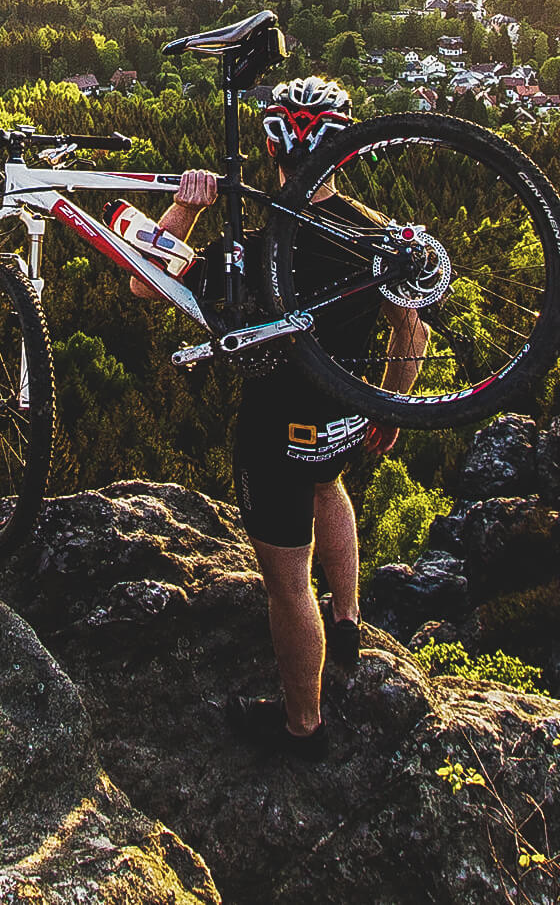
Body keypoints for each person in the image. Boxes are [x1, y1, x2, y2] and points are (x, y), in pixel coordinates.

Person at [129, 75, 428, 760]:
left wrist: (184, 209)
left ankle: (302, 725)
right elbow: (411, 331)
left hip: (275, 437)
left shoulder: (250, 251)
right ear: (343, 152)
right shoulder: (372, 234)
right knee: (332, 486)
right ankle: (348, 619)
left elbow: (146, 279)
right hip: (345, 416)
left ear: (272, 154)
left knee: (289, 588)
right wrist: (390, 404)